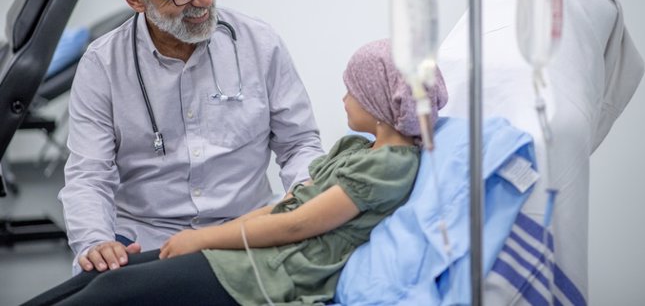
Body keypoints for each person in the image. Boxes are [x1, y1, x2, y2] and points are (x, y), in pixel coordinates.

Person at [23, 39, 448, 306]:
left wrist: (204, 238)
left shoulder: (387, 168)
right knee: (105, 277)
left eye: (352, 91)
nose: (342, 98)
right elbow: (286, 205)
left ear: (379, 104)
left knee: (112, 293)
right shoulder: (358, 148)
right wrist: (203, 238)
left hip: (270, 271)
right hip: (243, 248)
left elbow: (296, 225)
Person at [58, 0, 324, 275]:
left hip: (245, 234)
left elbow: (299, 143)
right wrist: (95, 242)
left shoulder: (259, 44)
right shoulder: (102, 67)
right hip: (146, 244)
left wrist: (307, 192)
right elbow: (89, 175)